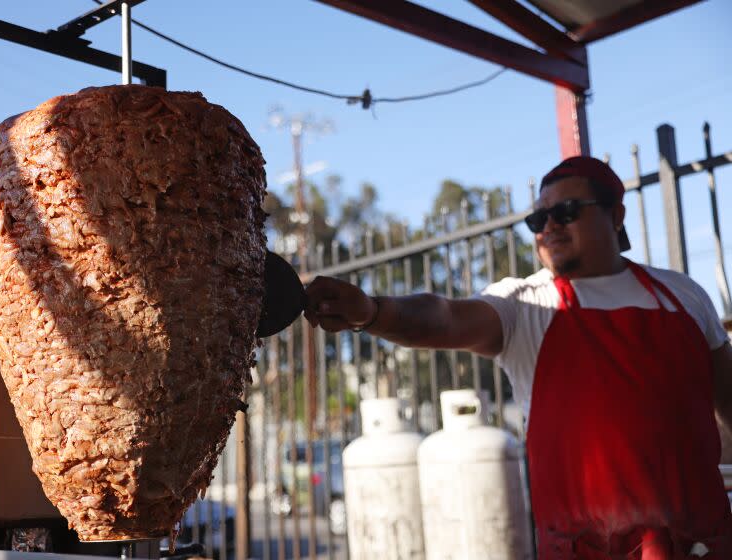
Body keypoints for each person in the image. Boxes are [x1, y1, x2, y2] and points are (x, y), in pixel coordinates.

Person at [304, 156, 732, 559]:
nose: (548, 227)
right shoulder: (528, 305)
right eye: (538, 219)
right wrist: (374, 312)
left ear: (616, 215)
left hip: (699, 544)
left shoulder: (685, 295)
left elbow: (727, 403)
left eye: (565, 211)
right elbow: (446, 316)